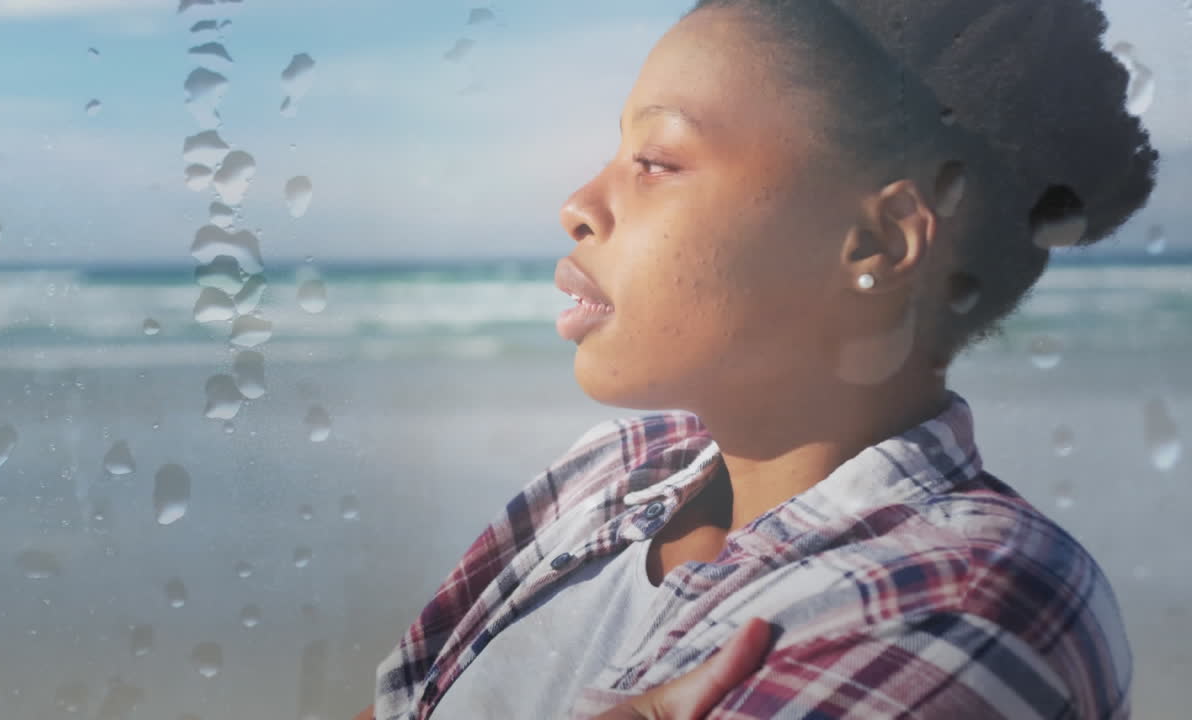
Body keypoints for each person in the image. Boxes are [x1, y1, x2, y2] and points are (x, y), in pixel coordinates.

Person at [361, 0, 1158, 717]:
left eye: (657, 161)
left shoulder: (961, 605)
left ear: (875, 242)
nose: (578, 206)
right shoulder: (618, 475)